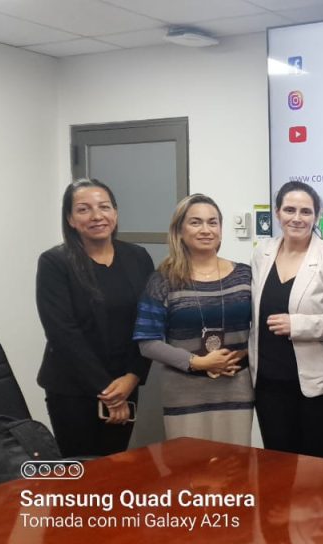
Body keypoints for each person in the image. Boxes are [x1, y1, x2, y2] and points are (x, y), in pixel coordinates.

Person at [35, 178, 154, 457]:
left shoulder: (137, 257)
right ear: (70, 219)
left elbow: (150, 321)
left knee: (114, 467)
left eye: (104, 207)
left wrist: (132, 377)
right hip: (73, 389)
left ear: (115, 212)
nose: (97, 215)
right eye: (84, 209)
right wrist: (108, 392)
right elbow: (62, 333)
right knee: (81, 472)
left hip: (126, 383)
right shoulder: (55, 262)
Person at [134, 194, 253, 444]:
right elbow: (147, 342)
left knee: (236, 463)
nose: (206, 230)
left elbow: (260, 330)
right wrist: (198, 362)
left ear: (221, 230)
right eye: (195, 222)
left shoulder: (245, 276)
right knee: (189, 464)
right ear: (179, 231)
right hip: (185, 392)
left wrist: (241, 354)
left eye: (213, 222)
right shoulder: (163, 280)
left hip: (236, 388)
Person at [249, 181, 323, 457]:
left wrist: (298, 325)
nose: (297, 218)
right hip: (268, 383)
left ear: (316, 216)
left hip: (315, 385)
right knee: (276, 463)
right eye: (289, 210)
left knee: (314, 468)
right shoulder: (262, 253)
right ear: (277, 213)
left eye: (306, 211)